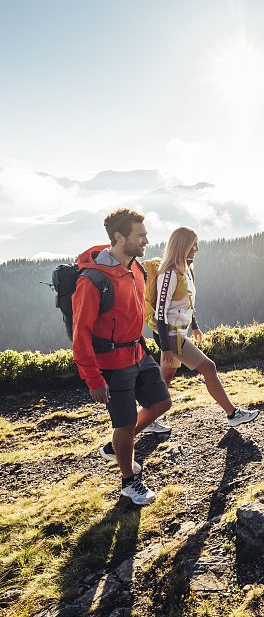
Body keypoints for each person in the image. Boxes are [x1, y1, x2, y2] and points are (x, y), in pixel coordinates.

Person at [72, 208, 171, 506]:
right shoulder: (92, 281)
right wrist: (93, 379)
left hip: (138, 352)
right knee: (124, 424)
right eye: (140, 235)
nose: (146, 240)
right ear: (119, 237)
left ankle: (117, 447)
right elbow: (80, 336)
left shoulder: (135, 267)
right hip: (112, 365)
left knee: (162, 403)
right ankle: (129, 482)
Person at [145, 226, 259, 430]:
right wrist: (165, 347)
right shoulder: (168, 274)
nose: (197, 248)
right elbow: (160, 313)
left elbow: (186, 304)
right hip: (170, 335)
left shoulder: (187, 270)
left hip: (178, 332)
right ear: (183, 246)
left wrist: (195, 326)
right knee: (209, 367)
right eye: (193, 244)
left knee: (166, 377)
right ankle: (233, 414)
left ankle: (147, 419)